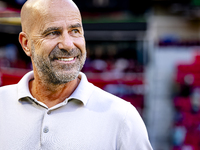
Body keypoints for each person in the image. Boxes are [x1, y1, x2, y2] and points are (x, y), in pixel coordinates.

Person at [0, 0, 153, 149]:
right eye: (53, 33)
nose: (68, 44)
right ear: (26, 43)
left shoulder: (123, 118)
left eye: (75, 31)